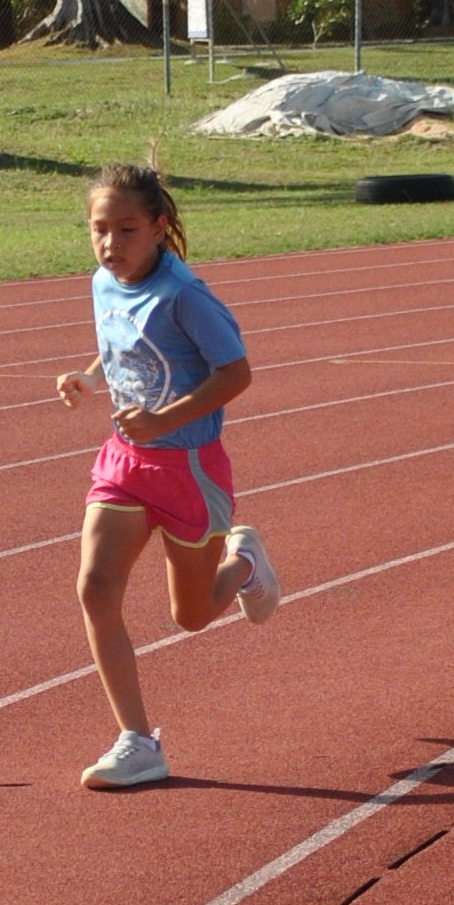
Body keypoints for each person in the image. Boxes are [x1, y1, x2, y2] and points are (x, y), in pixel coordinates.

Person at [55, 163, 279, 790]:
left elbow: (235, 373)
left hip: (189, 470)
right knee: (96, 589)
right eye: (99, 229)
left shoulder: (186, 295)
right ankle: (137, 741)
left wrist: (165, 420)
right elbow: (119, 342)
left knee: (192, 615)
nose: (110, 243)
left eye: (126, 229)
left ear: (158, 227)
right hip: (126, 464)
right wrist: (89, 379)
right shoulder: (103, 281)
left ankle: (246, 567)